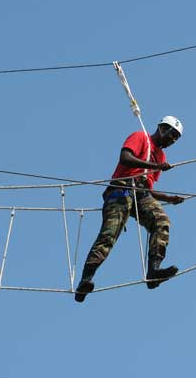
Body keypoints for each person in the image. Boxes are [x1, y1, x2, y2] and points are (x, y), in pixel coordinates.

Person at [74, 116, 185, 302]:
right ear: (161, 128)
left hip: (141, 195)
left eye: (176, 139)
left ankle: (153, 271)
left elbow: (148, 188)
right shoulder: (141, 137)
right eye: (171, 135)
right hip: (121, 190)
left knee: (161, 221)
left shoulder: (161, 156)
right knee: (109, 235)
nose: (172, 141)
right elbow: (125, 158)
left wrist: (169, 198)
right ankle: (85, 280)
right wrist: (154, 165)